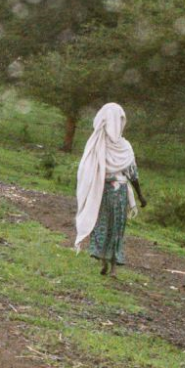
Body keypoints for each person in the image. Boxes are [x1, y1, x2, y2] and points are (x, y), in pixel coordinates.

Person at [74, 102, 147, 276]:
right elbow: (133, 174)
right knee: (116, 228)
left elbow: (85, 168)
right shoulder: (125, 147)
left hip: (100, 192)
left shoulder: (97, 143)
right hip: (119, 193)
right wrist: (140, 196)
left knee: (101, 225)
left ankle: (102, 259)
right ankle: (113, 265)